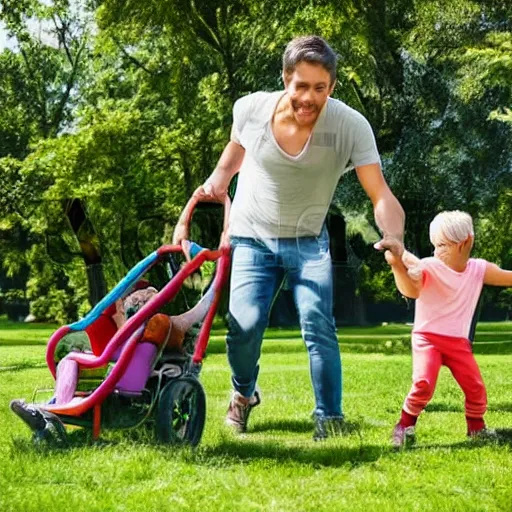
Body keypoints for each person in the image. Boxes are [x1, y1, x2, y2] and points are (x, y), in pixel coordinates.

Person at [173, 35, 405, 440]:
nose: (309, 98)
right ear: (285, 79)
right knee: (243, 327)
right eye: (301, 86)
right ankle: (244, 395)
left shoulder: (350, 126)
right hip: (251, 236)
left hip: (308, 239)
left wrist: (394, 235)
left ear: (332, 87)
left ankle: (329, 419)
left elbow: (380, 193)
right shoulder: (251, 109)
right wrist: (219, 179)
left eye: (320, 88)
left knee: (318, 324)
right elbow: (237, 147)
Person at [384, 210, 512, 448]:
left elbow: (507, 277)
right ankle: (404, 425)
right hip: (427, 339)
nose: (436, 251)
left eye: (442, 245)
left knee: (475, 387)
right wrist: (397, 260)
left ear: (466, 243)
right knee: (423, 383)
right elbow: (411, 282)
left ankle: (476, 429)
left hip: (458, 342)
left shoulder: (478, 269)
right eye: (434, 245)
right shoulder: (430, 266)